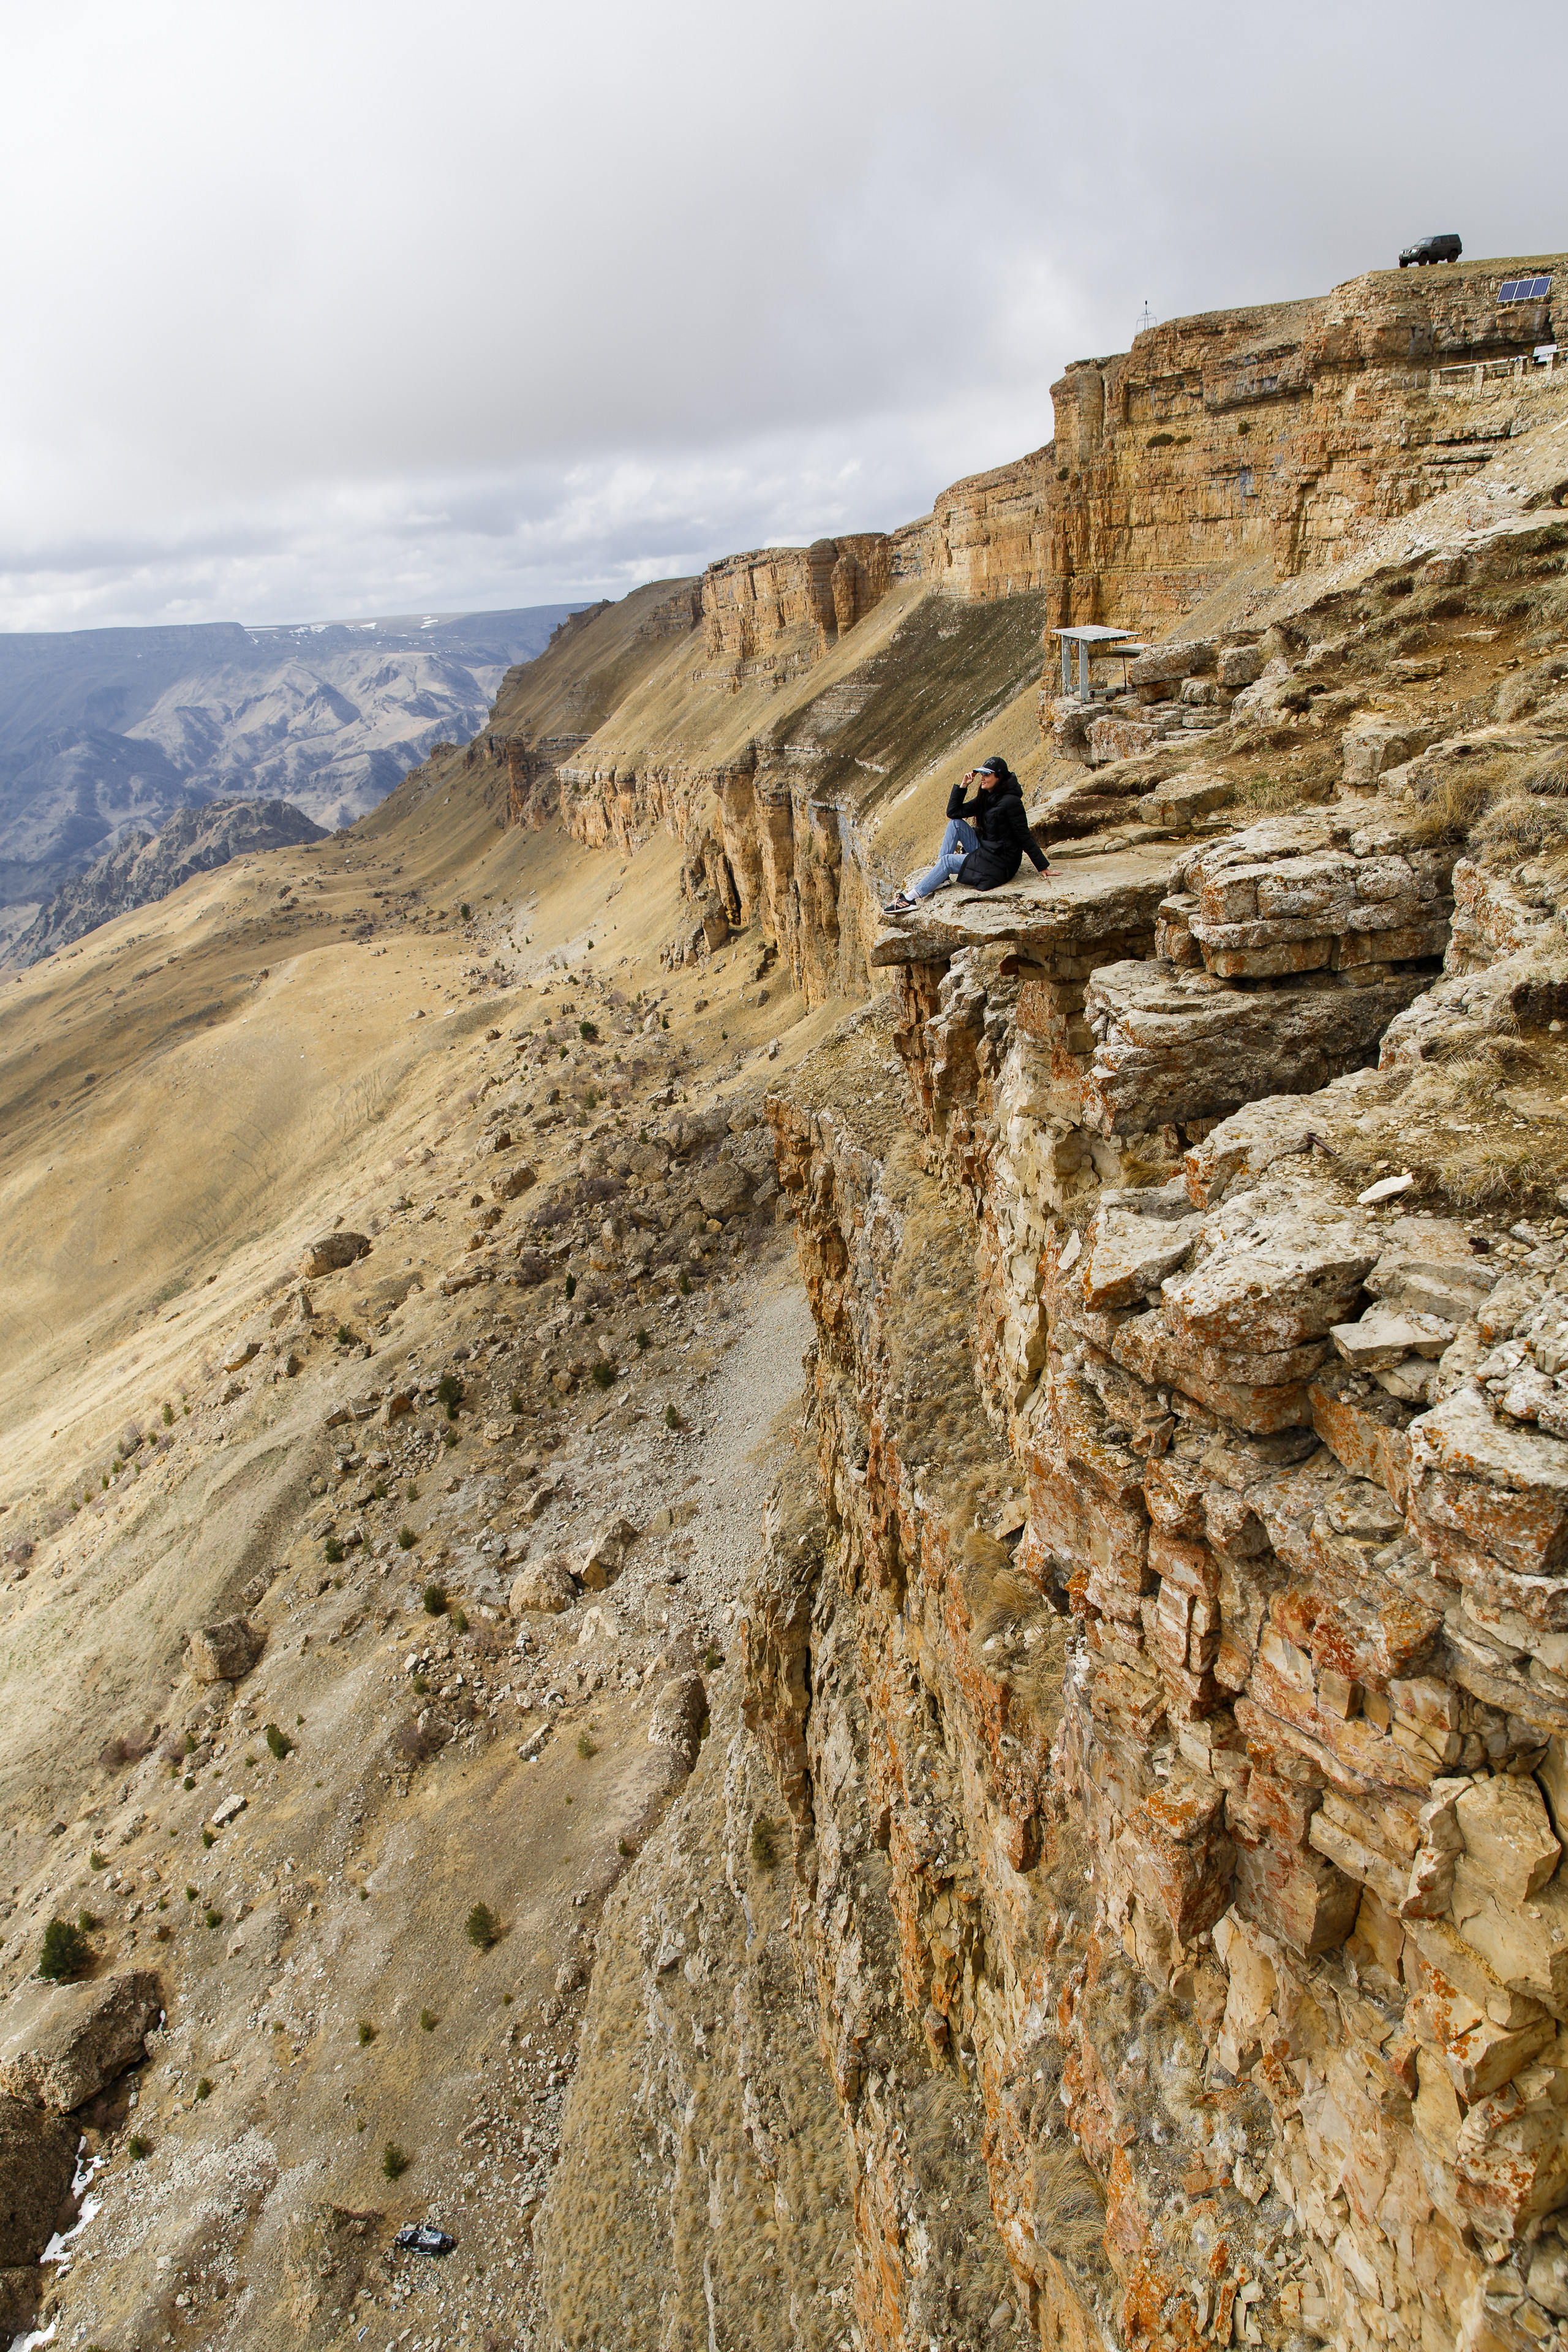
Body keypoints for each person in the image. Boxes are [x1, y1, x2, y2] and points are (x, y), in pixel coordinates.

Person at [886, 756, 1049, 913]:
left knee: (948, 861)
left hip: (999, 863)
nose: (982, 778)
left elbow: (1024, 836)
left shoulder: (1012, 803)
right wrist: (963, 786)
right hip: (987, 850)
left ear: (998, 777)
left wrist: (1042, 866)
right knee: (955, 824)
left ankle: (909, 899)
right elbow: (954, 813)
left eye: (987, 774)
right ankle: (942, 878)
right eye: (981, 774)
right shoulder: (987, 797)